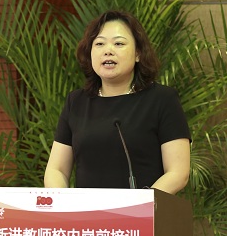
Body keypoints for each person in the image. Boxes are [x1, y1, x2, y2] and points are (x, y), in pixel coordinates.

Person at [44, 10, 191, 194]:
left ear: (138, 53)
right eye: (99, 44)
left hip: (144, 210)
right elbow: (56, 169)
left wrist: (140, 205)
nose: (108, 50)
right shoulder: (76, 102)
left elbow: (178, 173)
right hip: (87, 211)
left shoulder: (162, 99)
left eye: (119, 43)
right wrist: (63, 202)